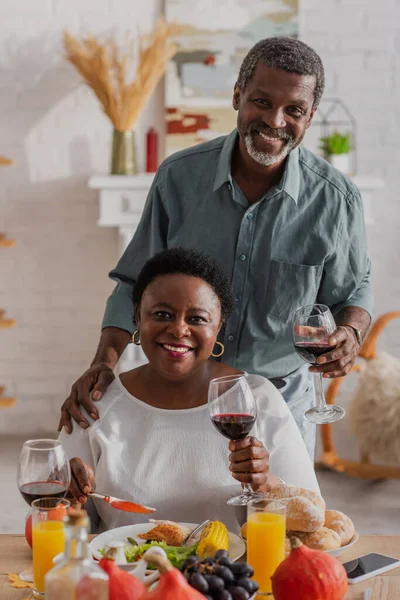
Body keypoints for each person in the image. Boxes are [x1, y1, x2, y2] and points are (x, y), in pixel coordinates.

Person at [59, 37, 372, 457]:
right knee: (180, 519)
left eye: (294, 110)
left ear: (310, 116)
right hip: (182, 398)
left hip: (282, 404)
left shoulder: (336, 199)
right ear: (238, 96)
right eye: (261, 101)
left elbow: (352, 292)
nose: (275, 120)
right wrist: (104, 362)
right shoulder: (178, 178)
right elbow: (134, 280)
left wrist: (350, 332)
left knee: (276, 520)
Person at [59, 248, 320, 533]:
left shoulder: (258, 398)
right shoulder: (94, 403)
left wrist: (267, 482)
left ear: (218, 327)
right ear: (137, 318)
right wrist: (68, 500)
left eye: (197, 319)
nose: (178, 330)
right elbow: (56, 529)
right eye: (162, 314)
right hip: (129, 574)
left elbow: (314, 521)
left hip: (237, 575)